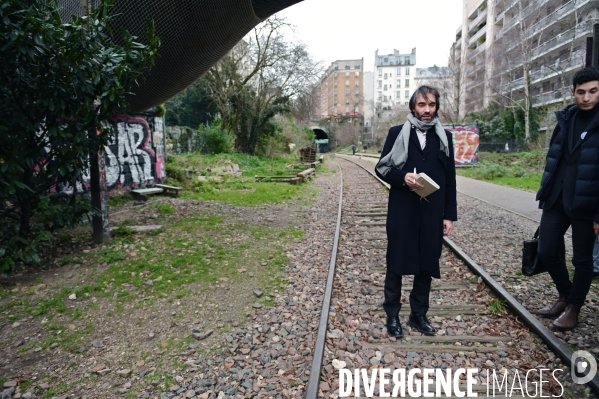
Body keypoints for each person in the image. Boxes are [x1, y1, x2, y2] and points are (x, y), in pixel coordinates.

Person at [375, 85, 457, 337]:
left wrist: (449, 215)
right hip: (403, 209)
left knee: (426, 262)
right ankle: (392, 315)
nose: (427, 110)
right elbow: (382, 168)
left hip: (432, 210)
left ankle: (418, 314)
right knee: (397, 261)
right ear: (413, 107)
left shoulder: (444, 137)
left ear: (436, 107)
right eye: (422, 105)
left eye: (431, 105)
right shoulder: (397, 133)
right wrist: (403, 177)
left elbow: (450, 178)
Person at [536, 67, 599, 330]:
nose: (587, 97)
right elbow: (555, 158)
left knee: (582, 259)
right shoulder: (566, 118)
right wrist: (546, 192)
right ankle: (565, 294)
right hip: (557, 198)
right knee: (546, 250)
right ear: (573, 92)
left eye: (593, 91)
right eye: (581, 92)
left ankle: (574, 308)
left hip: (588, 202)